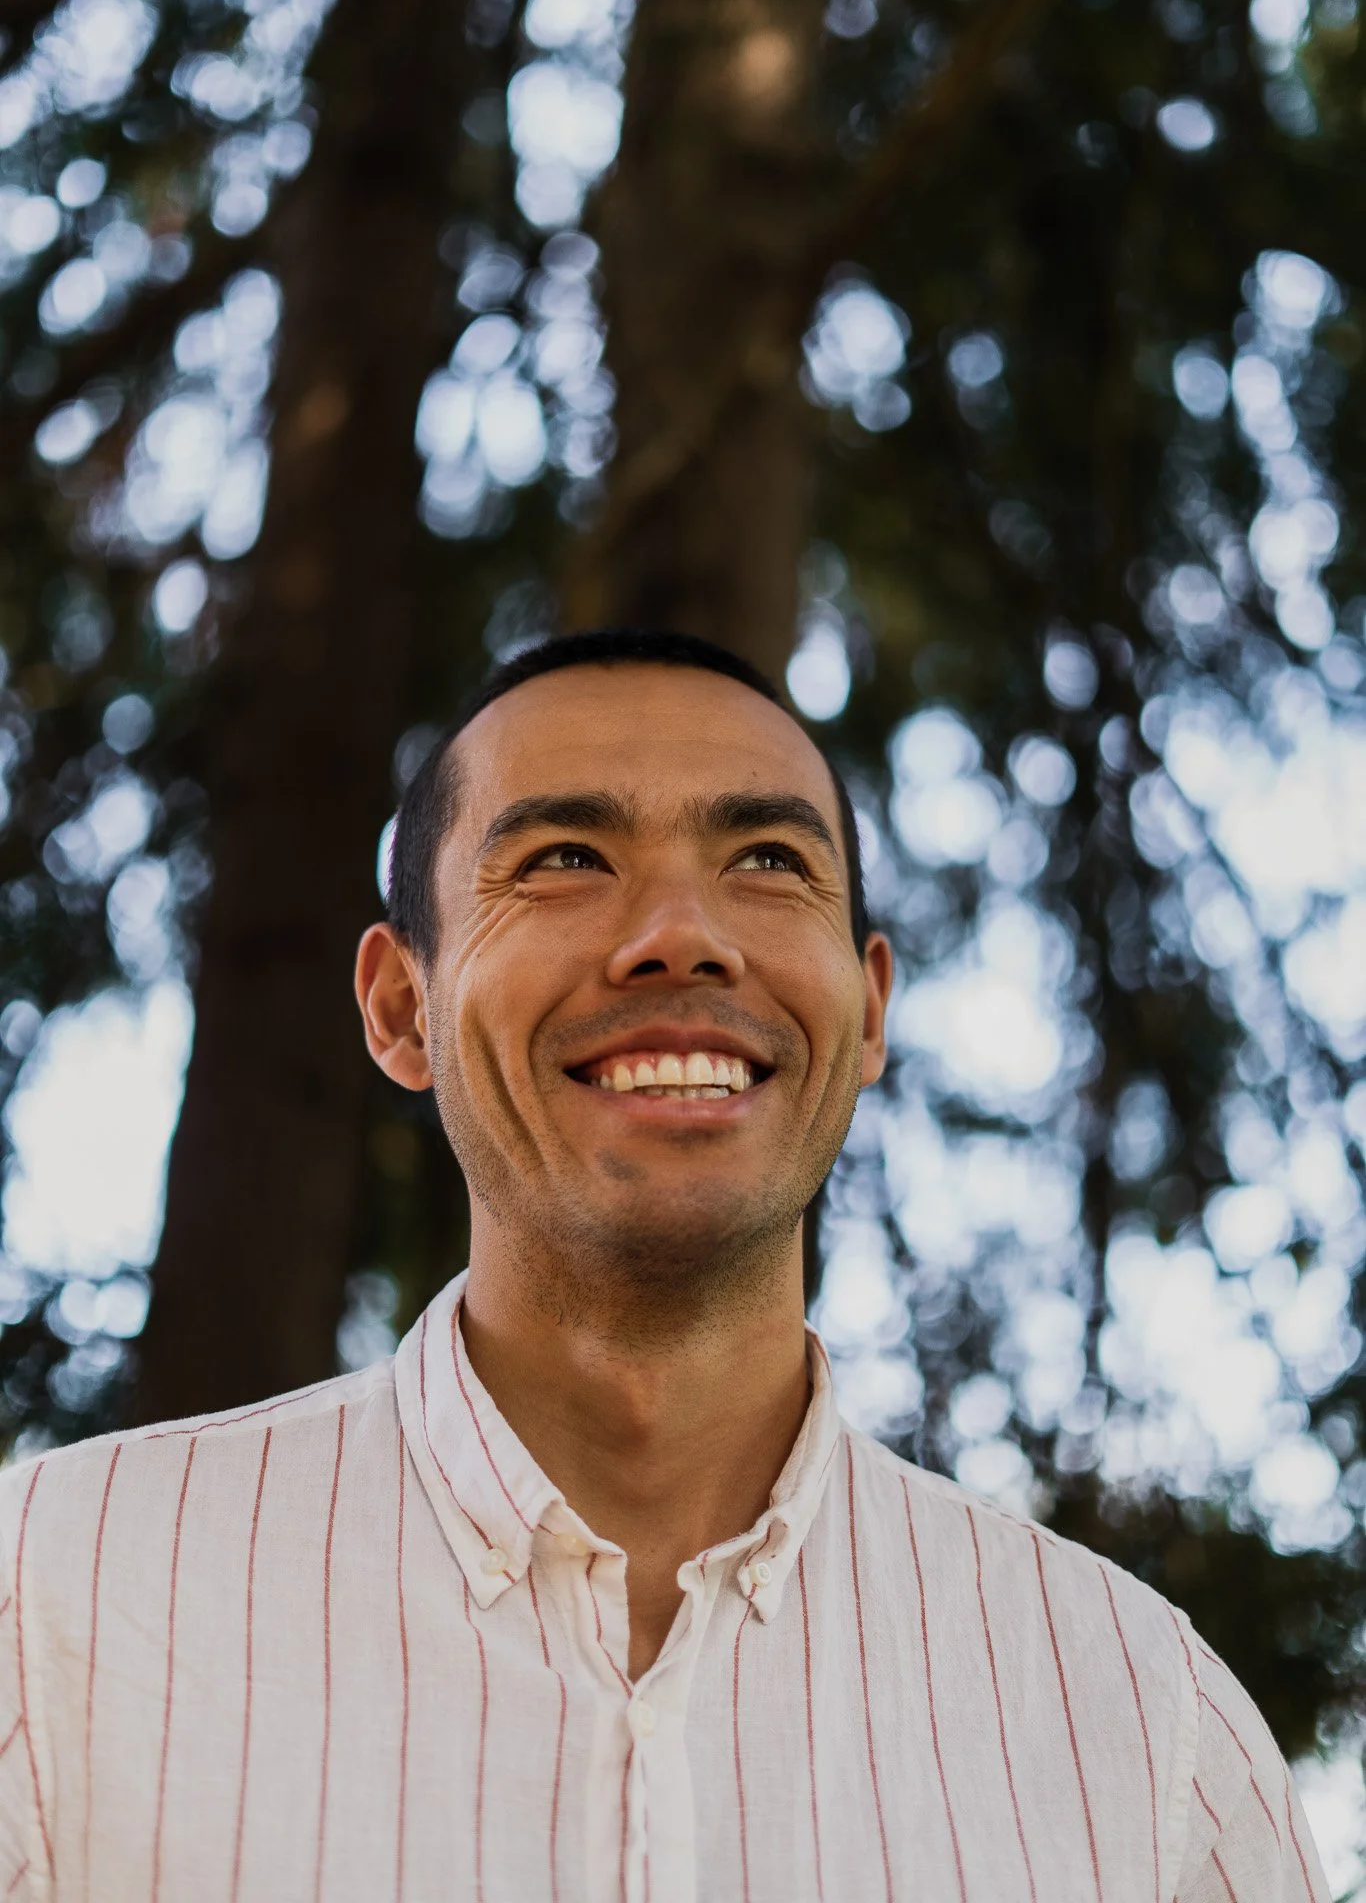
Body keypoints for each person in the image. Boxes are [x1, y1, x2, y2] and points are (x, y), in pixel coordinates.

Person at [0, 628, 1326, 1902]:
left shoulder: (1147, 1731)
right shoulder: (52, 1606)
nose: (683, 932)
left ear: (868, 1009)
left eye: (765, 860)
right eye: (568, 857)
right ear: (401, 1007)